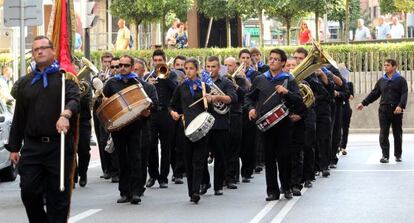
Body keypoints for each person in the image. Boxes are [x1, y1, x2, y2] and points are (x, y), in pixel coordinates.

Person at [5, 35, 80, 222]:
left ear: (52, 51)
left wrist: (65, 115)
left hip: (58, 146)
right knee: (28, 191)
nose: (40, 51)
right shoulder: (25, 83)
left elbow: (74, 100)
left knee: (58, 195)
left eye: (44, 48)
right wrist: (14, 147)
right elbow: (19, 117)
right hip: (32, 147)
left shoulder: (65, 78)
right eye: (35, 49)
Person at [246, 48, 303, 201]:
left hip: (284, 124)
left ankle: (287, 187)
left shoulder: (288, 79)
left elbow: (299, 101)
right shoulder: (260, 78)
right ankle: (272, 191)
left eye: (276, 59)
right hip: (266, 125)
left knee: (285, 157)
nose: (271, 61)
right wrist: (251, 109)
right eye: (270, 58)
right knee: (269, 159)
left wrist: (286, 92)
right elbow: (249, 98)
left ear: (283, 63)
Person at [103, 55, 158, 204]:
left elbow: (153, 104)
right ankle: (124, 192)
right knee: (121, 159)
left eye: (126, 65)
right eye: (120, 65)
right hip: (119, 128)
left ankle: (135, 192)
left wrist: (148, 111)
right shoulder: (111, 83)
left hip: (136, 127)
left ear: (132, 67)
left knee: (135, 159)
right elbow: (104, 101)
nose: (122, 68)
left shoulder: (140, 84)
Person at [169, 58, 211, 204]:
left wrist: (209, 99)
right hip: (185, 128)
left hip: (201, 128)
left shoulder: (205, 86)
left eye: (191, 68)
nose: (188, 71)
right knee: (188, 160)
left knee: (198, 160)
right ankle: (191, 190)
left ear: (197, 69)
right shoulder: (181, 87)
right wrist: (172, 112)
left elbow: (211, 109)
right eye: (186, 68)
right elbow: (172, 105)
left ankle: (195, 191)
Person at [357, 59, 408, 163]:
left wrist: (400, 106)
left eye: (388, 65)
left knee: (397, 133)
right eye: (384, 65)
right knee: (383, 133)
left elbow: (404, 94)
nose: (385, 67)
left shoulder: (401, 80)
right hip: (384, 110)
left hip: (396, 110)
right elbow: (374, 94)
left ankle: (398, 155)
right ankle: (385, 156)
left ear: (394, 67)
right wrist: (363, 103)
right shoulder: (382, 80)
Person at [200, 56, 237, 196]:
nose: (210, 70)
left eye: (213, 67)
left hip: (220, 123)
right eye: (208, 67)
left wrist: (216, 98)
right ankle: (205, 182)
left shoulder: (226, 82)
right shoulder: (201, 82)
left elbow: (232, 98)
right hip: (204, 122)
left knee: (220, 156)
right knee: (201, 156)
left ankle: (218, 186)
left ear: (219, 67)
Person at [145, 50, 178, 189]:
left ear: (164, 60)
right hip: (152, 114)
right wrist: (148, 84)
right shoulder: (148, 76)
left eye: (160, 60)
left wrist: (166, 78)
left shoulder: (172, 74)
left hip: (166, 113)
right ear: (152, 61)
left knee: (166, 147)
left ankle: (163, 177)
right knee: (151, 145)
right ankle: (153, 175)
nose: (158, 63)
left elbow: (177, 90)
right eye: (156, 60)